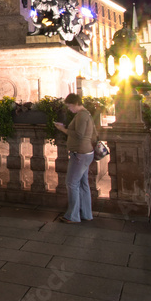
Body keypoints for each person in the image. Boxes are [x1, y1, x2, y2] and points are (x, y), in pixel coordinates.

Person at [54, 93, 95, 223]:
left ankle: (73, 216)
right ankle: (86, 214)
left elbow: (79, 134)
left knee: (71, 183)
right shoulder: (86, 114)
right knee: (83, 184)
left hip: (80, 153)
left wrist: (62, 129)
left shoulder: (82, 115)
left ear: (76, 103)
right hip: (86, 152)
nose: (70, 109)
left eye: (70, 106)